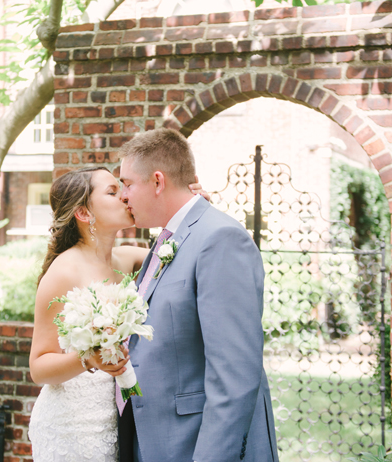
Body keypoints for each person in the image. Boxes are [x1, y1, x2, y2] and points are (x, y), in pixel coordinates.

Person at [117, 128, 278, 462]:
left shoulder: (219, 239)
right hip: (158, 440)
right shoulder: (167, 240)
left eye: (127, 183)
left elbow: (234, 376)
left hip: (196, 446)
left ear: (158, 181)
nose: (123, 195)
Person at [28, 165, 206, 461]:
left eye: (123, 188)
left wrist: (195, 209)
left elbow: (184, 252)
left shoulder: (126, 258)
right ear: (84, 214)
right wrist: (89, 358)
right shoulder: (63, 272)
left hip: (117, 423)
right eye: (112, 192)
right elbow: (38, 367)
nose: (125, 196)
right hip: (71, 427)